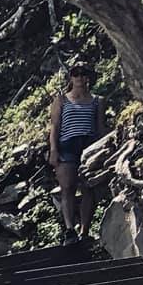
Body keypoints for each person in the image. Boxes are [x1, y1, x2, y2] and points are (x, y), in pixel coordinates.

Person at [49, 60, 105, 242]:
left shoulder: (97, 101)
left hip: (89, 146)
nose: (79, 77)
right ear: (71, 77)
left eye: (83, 73)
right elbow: (55, 127)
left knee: (88, 188)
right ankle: (69, 228)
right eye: (75, 73)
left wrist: (102, 150)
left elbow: (100, 128)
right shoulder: (62, 100)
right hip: (67, 145)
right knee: (68, 187)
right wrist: (53, 150)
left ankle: (85, 231)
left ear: (88, 77)